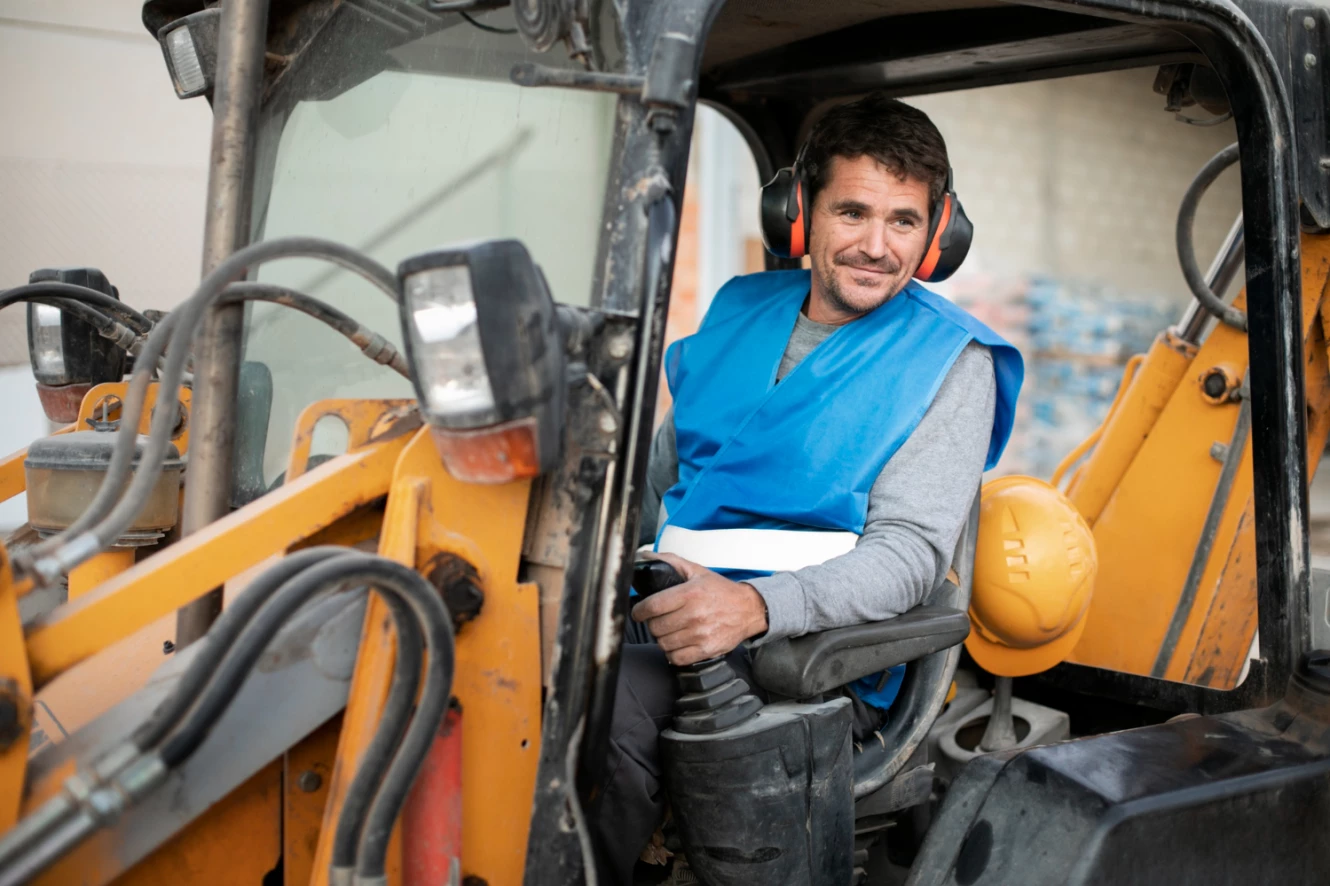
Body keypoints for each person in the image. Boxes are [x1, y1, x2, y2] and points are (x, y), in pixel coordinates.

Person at [589, 92, 1023, 884]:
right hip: (667, 613)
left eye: (903, 221)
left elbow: (908, 558)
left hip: (812, 657)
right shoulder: (736, 313)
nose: (876, 246)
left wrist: (751, 608)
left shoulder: (952, 362)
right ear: (801, 214)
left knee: (603, 707)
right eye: (852, 212)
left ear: (937, 235)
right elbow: (658, 487)